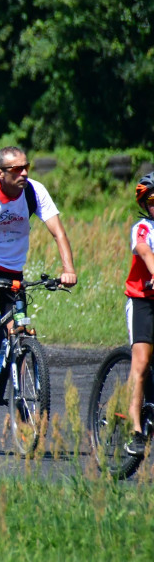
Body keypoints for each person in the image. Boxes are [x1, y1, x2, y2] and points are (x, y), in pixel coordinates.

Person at [0, 146, 78, 377]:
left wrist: (68, 269)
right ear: (0, 174)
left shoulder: (34, 191)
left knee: (18, 329)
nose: (24, 173)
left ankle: (22, 395)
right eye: (17, 169)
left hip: (12, 266)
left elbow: (58, 233)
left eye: (26, 167)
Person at [124, 173, 154, 457]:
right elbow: (144, 251)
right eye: (153, 200)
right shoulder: (143, 227)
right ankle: (135, 430)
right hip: (142, 300)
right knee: (142, 362)